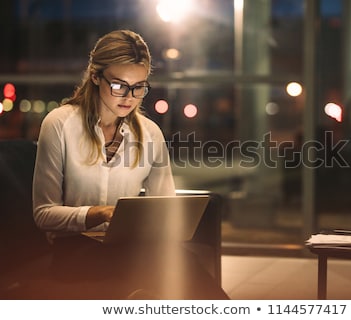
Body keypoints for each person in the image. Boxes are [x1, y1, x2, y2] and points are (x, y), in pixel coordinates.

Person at [32, 29, 228, 299]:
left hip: (134, 248)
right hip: (74, 250)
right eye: (119, 85)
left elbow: (165, 206)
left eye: (139, 87)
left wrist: (169, 224)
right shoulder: (60, 124)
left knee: (179, 264)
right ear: (95, 77)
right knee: (162, 268)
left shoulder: (149, 133)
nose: (129, 97)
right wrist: (98, 213)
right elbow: (43, 214)